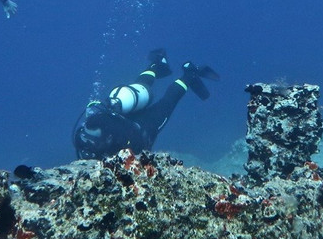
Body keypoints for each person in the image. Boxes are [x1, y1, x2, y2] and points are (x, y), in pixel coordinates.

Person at [72, 49, 219, 159]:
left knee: (167, 103)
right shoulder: (92, 131)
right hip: (122, 112)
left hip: (143, 129)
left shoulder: (82, 139)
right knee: (141, 87)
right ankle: (156, 64)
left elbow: (134, 151)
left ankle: (189, 74)